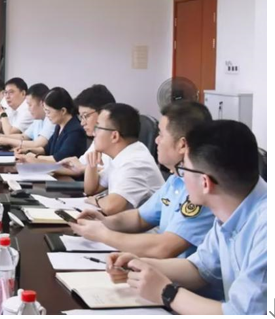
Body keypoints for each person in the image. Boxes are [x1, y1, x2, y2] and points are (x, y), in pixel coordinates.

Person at [106, 120, 266, 315]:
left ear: (205, 183)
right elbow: (200, 268)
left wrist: (166, 292)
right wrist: (140, 264)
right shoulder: (231, 207)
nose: (180, 176)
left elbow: (240, 314)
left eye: (184, 169)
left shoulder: (265, 229)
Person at [70, 101, 215, 258]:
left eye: (161, 135)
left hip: (167, 266)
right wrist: (104, 222)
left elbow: (165, 248)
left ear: (182, 145)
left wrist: (103, 234)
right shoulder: (176, 179)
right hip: (156, 262)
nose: (156, 141)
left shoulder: (201, 189)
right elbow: (139, 218)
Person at [82, 103, 164, 215]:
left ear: (114, 136)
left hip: (144, 226)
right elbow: (91, 190)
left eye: (98, 127)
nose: (93, 133)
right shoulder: (120, 154)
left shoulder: (136, 162)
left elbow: (111, 207)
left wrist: (96, 200)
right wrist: (92, 165)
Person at [56, 84, 117, 177]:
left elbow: (115, 173)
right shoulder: (97, 139)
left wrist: (83, 168)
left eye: (86, 116)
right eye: (81, 117)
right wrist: (44, 168)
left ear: (104, 113)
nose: (82, 123)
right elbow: (77, 167)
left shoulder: (116, 142)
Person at [16, 87, 87, 163]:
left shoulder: (75, 131)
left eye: (48, 112)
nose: (47, 115)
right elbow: (46, 149)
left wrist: (34, 156)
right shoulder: (59, 126)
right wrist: (27, 150)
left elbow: (58, 159)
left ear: (63, 111)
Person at [0, 83, 55, 151]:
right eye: (6, 93)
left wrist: (7, 140)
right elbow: (24, 136)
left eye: (30, 105)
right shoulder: (38, 119)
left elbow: (37, 144)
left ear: (42, 104)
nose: (7, 97)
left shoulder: (50, 119)